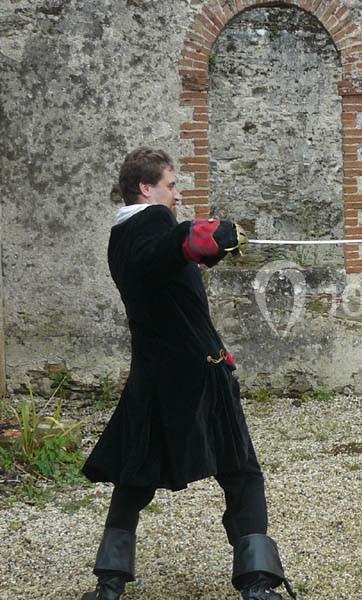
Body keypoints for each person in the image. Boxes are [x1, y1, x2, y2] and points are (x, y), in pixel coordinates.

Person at [80, 147, 295, 600]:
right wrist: (197, 236)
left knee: (136, 476)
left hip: (158, 375)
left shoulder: (119, 237)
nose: (177, 195)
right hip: (197, 376)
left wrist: (196, 245)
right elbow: (165, 247)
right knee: (242, 472)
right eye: (172, 185)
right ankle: (258, 584)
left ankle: (109, 582)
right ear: (146, 187)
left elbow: (164, 268)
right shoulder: (149, 224)